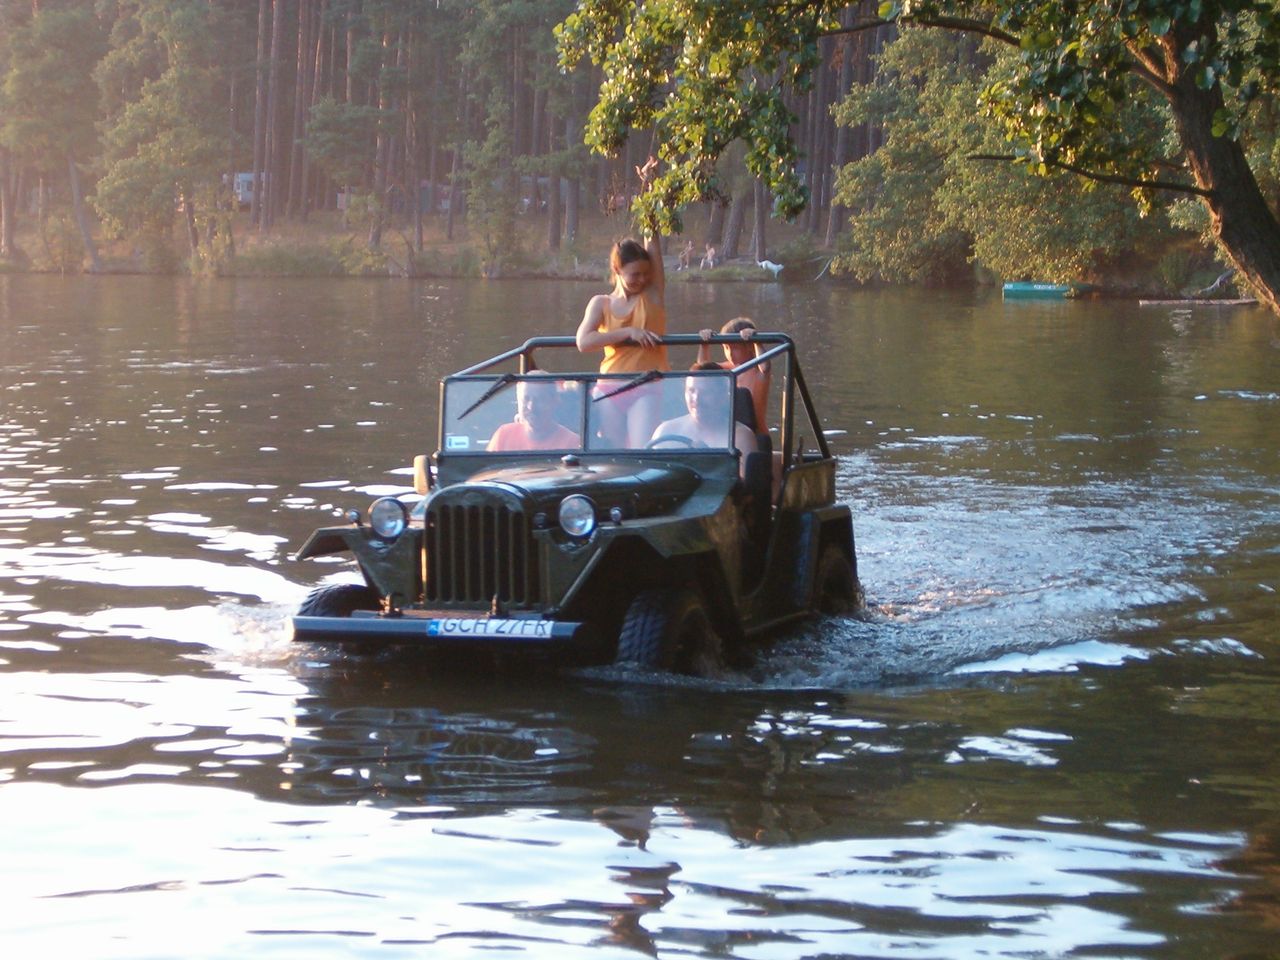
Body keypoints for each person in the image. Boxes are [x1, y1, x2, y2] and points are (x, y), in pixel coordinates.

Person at [576, 155, 667, 448]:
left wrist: (648, 188)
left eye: (645, 273)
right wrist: (629, 333)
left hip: (645, 384)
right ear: (617, 271)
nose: (641, 279)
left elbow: (653, 242)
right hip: (610, 385)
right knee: (613, 449)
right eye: (634, 275)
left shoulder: (652, 295)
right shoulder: (600, 303)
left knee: (641, 447)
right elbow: (584, 341)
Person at [650, 364, 757, 477]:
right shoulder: (665, 431)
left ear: (723, 396)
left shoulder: (740, 437)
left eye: (706, 392)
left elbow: (746, 489)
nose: (696, 399)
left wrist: (710, 463)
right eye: (691, 391)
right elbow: (650, 478)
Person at [695, 317, 771, 431]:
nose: (730, 353)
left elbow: (765, 367)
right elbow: (703, 372)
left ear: (750, 346)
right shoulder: (723, 368)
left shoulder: (757, 369)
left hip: (755, 433)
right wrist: (704, 344)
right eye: (726, 347)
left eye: (735, 348)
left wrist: (756, 341)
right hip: (725, 431)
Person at [487, 379, 579, 451]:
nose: (531, 407)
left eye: (539, 399)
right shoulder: (503, 435)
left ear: (554, 401)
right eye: (526, 399)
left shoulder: (571, 442)